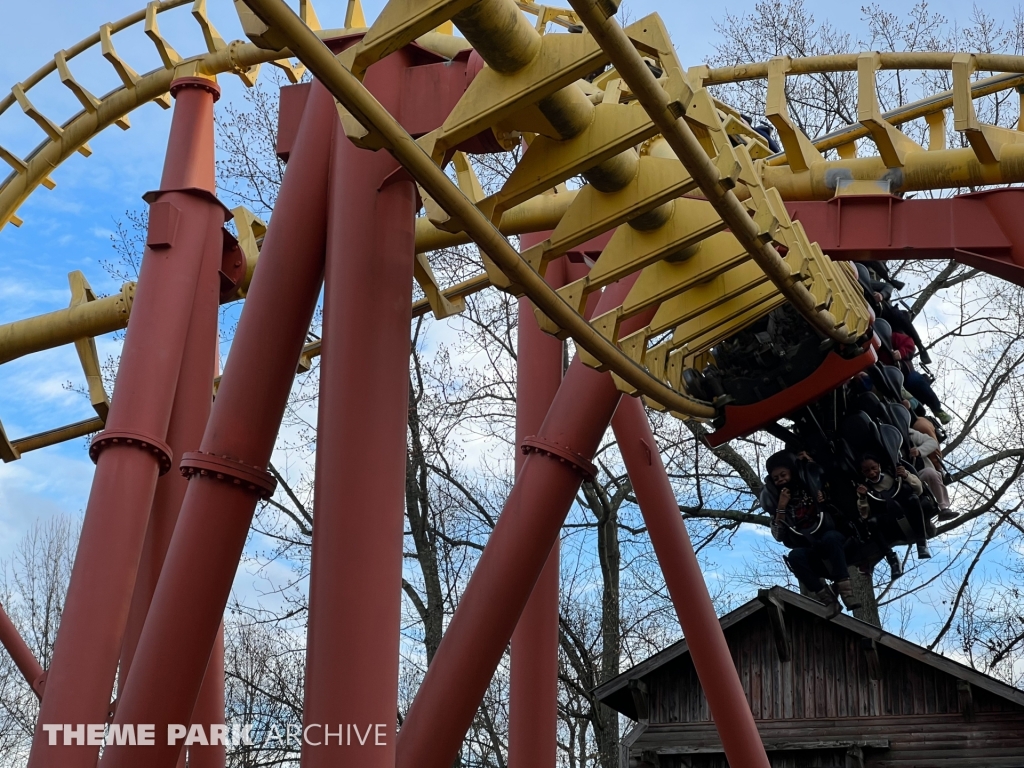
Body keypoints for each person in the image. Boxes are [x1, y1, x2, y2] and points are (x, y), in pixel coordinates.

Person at [765, 452, 859, 610]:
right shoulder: (778, 504)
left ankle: (847, 593)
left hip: (832, 538)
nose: (780, 480)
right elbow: (779, 535)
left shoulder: (810, 486)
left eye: (783, 475)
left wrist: (824, 497)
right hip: (810, 547)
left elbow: (830, 481)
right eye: (776, 478)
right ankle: (827, 599)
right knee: (794, 556)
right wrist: (781, 507)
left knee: (831, 537)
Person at [857, 454, 932, 560]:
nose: (872, 473)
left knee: (913, 498)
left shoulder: (893, 473)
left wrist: (906, 475)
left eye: (874, 468)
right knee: (871, 522)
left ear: (879, 465)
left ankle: (922, 544)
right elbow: (864, 515)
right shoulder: (865, 487)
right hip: (889, 521)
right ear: (862, 472)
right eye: (867, 471)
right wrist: (863, 497)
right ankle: (891, 558)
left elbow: (919, 490)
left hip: (909, 512)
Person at [883, 330, 952, 424]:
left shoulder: (889, 337)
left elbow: (909, 342)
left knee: (915, 380)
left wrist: (901, 352)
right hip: (889, 379)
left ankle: (937, 409)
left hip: (905, 374)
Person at [909, 428, 956, 521]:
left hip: (920, 473)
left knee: (931, 473)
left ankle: (943, 508)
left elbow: (932, 442)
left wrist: (919, 450)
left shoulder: (909, 432)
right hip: (901, 479)